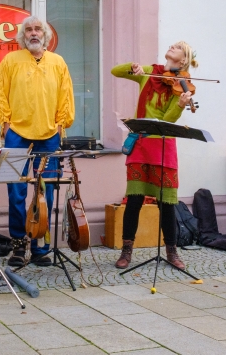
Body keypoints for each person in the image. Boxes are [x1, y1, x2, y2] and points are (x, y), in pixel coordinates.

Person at [0, 16, 75, 267]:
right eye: (29, 30)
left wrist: (60, 126)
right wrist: (5, 123)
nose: (33, 33)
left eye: (38, 29)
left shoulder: (58, 62)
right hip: (16, 134)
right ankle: (18, 245)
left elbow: (66, 97)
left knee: (45, 192)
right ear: (22, 35)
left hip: (49, 136)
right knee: (16, 191)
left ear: (45, 35)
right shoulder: (11, 60)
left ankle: (40, 246)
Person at [111, 41, 198, 270]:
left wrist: (180, 105)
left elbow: (167, 121)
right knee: (135, 200)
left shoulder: (179, 85)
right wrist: (135, 67)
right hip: (140, 145)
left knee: (167, 203)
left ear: (183, 60)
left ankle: (171, 252)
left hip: (163, 147)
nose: (172, 46)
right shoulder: (150, 72)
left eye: (177, 47)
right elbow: (115, 71)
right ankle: (126, 251)